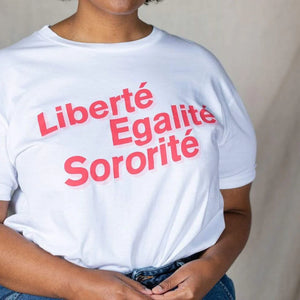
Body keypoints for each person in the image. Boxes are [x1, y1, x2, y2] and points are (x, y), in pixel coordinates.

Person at [0, 0, 257, 299]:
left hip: (191, 290)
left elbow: (235, 210)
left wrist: (211, 267)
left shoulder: (200, 68)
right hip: (52, 290)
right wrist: (80, 285)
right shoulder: (11, 73)